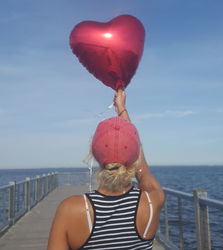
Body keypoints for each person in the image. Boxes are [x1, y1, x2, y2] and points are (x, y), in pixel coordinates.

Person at [47, 89, 165, 250]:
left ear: (94, 152)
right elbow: (142, 168)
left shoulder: (70, 209)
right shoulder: (152, 201)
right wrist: (122, 109)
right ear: (135, 154)